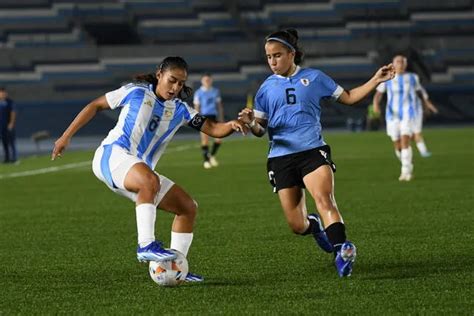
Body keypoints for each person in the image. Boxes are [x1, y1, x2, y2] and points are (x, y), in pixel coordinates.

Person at [52, 56, 247, 282]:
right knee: (149, 180)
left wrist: (232, 125)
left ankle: (176, 267)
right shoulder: (135, 92)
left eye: (181, 84)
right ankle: (145, 245)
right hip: (112, 155)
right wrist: (65, 137)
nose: (175, 88)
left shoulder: (181, 110)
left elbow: (212, 128)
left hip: (140, 172)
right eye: (171, 80)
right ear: (159, 75)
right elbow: (96, 105)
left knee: (187, 207)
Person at [238, 29, 395, 277]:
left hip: (313, 151)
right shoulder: (265, 89)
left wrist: (376, 80)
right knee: (296, 225)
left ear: (292, 53)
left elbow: (350, 98)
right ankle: (314, 227)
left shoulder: (315, 78)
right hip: (280, 157)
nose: (272, 61)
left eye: (277, 55)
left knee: (325, 200)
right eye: (268, 57)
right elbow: (260, 130)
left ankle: (342, 252)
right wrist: (250, 122)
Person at [373, 54, 438, 181]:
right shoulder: (388, 77)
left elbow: (420, 92)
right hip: (392, 115)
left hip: (409, 113)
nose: (401, 64)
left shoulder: (413, 78)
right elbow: (378, 94)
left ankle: (406, 171)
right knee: (397, 144)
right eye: (398, 62)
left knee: (405, 140)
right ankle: (407, 161)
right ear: (393, 64)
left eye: (402, 62)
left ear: (406, 64)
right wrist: (375, 105)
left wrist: (426, 105)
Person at [193, 73, 224, 169]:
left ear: (211, 80)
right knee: (205, 139)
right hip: (204, 117)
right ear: (202, 81)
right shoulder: (198, 93)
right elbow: (197, 107)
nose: (207, 81)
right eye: (205, 80)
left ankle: (211, 155)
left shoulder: (215, 91)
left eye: (209, 80)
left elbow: (219, 105)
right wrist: (197, 119)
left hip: (214, 116)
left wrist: (221, 117)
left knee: (219, 138)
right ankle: (206, 160)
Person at [412, 85, 439, 157]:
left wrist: (431, 109)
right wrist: (433, 109)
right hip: (413, 113)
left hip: (413, 113)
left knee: (415, 133)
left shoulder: (418, 88)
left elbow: (425, 100)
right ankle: (422, 152)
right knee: (414, 133)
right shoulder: (418, 87)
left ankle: (423, 151)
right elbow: (425, 100)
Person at [0, 87, 18, 163]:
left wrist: (11, 123)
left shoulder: (9, 102)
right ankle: (7, 158)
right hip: (1, 126)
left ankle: (14, 158)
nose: (2, 94)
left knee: (11, 142)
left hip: (8, 126)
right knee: (4, 143)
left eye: (3, 93)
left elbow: (13, 113)